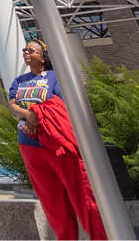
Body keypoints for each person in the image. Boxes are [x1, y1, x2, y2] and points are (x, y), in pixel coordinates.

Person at [8, 40, 105, 241]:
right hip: (29, 145)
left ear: (43, 57)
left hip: (56, 143)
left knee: (82, 195)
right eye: (24, 50)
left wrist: (37, 115)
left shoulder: (55, 77)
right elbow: (12, 105)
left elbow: (63, 104)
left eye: (31, 50)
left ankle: (101, 237)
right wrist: (28, 114)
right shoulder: (19, 81)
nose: (26, 52)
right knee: (51, 201)